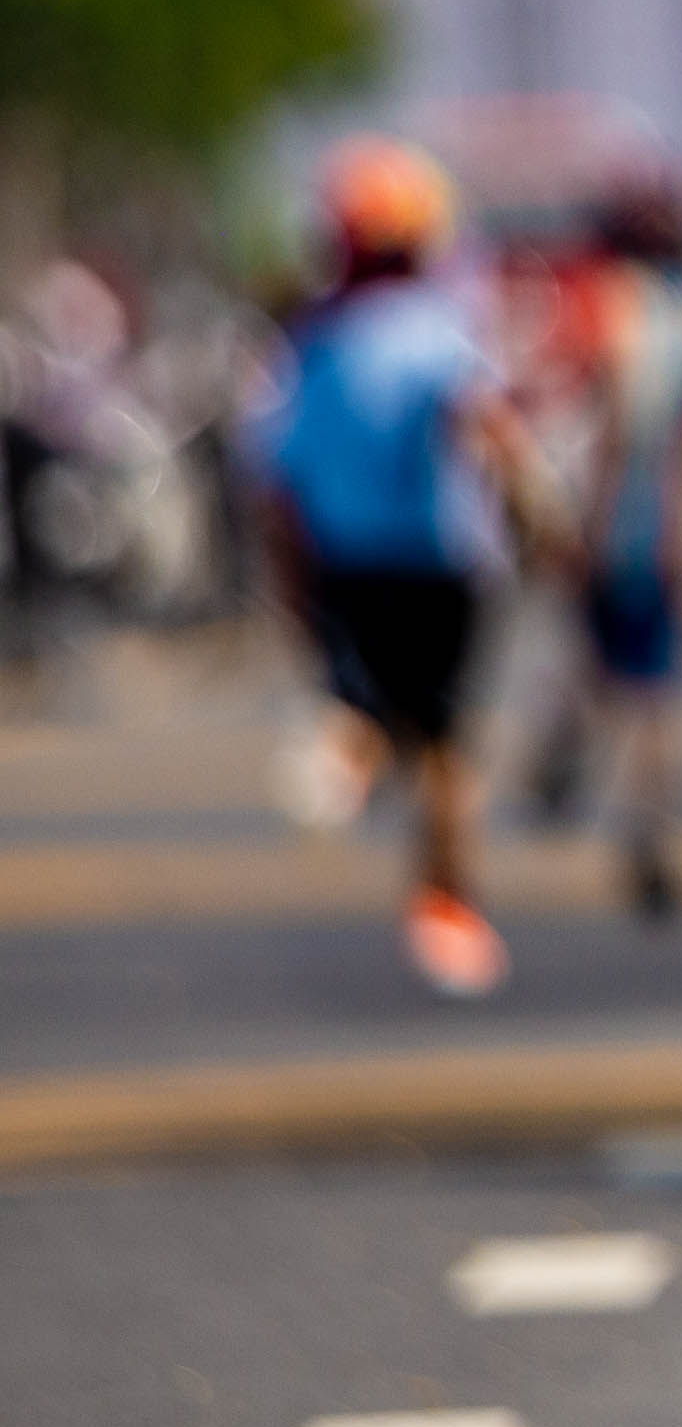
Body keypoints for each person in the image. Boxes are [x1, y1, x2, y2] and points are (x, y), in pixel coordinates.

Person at [252, 139, 537, 999]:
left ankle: (345, 753)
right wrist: (537, 520)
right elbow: (490, 431)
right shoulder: (444, 332)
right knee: (450, 744)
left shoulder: (310, 346)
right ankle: (448, 910)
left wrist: (292, 590)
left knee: (364, 700)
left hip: (348, 565)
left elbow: (277, 484)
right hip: (444, 562)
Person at [533, 170, 682, 923]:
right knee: (658, 687)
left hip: (609, 509)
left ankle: (566, 755)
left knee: (601, 660)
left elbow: (580, 421)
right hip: (670, 516)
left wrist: (568, 524)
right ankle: (652, 828)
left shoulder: (595, 305)